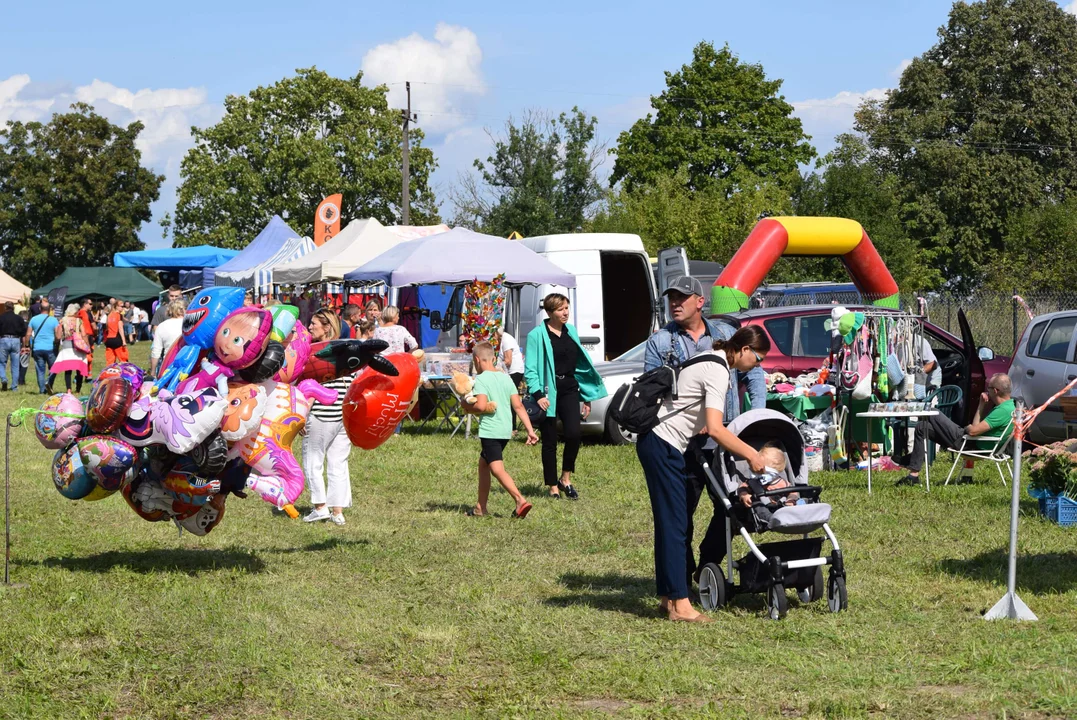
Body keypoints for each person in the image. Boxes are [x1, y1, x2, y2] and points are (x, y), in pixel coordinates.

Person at [635, 325, 770, 623]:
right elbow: (719, 429)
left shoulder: (710, 356)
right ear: (745, 350)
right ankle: (681, 605)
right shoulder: (720, 369)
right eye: (757, 360)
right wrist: (752, 455)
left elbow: (692, 409)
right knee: (675, 524)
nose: (755, 367)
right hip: (663, 444)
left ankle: (667, 599)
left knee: (670, 523)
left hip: (658, 442)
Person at [643, 275, 768, 586]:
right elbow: (652, 393)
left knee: (734, 506)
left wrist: (752, 420)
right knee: (678, 517)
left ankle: (707, 567)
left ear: (700, 302)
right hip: (680, 442)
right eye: (671, 297)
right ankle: (680, 582)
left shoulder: (725, 337)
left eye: (682, 297)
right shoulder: (662, 342)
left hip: (723, 440)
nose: (675, 303)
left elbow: (753, 379)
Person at [524, 293, 608, 499]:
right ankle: (552, 486)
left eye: (567, 308)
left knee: (573, 435)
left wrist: (586, 396)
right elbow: (531, 370)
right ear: (550, 312)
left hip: (570, 389)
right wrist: (537, 395)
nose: (566, 312)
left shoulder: (571, 331)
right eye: (561, 309)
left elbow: (580, 366)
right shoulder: (537, 334)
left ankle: (565, 479)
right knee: (550, 440)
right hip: (547, 393)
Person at [895, 373, 1016, 486]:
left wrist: (968, 428)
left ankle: (909, 457)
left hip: (968, 444)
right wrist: (981, 405)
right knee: (922, 427)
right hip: (972, 442)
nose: (987, 391)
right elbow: (976, 427)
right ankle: (913, 474)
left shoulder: (1002, 411)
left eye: (988, 388)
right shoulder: (1010, 407)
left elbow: (973, 431)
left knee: (932, 412)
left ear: (995, 391)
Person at [464, 341, 539, 518]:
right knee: (484, 464)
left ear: (476, 360)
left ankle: (520, 500)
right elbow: (519, 406)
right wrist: (530, 430)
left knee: (496, 468)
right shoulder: (506, 378)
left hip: (491, 430)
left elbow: (481, 406)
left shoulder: (481, 379)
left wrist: (465, 406)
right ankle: (480, 507)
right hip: (506, 430)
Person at [303, 308, 351, 525]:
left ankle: (320, 507)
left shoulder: (317, 353)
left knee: (313, 460)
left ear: (327, 327)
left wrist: (302, 414)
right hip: (344, 415)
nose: (310, 327)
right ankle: (338, 512)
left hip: (322, 413)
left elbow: (313, 385)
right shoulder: (348, 349)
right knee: (338, 463)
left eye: (314, 323)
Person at [51, 304, 89, 393]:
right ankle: (78, 388)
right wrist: (87, 345)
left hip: (66, 345)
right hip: (78, 346)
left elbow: (59, 335)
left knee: (68, 368)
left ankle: (69, 389)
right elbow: (83, 334)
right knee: (79, 367)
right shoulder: (78, 321)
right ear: (75, 312)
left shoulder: (62, 321)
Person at [27, 299, 58, 394]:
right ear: (49, 309)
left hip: (37, 348)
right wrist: (56, 342)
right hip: (50, 348)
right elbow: (57, 334)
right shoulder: (54, 320)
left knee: (40, 370)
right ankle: (49, 382)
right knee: (54, 368)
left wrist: (27, 345)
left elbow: (28, 334)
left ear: (40, 308)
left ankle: (42, 390)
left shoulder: (33, 319)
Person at [150, 301, 186, 377]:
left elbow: (156, 352)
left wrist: (153, 372)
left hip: (168, 364)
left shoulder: (161, 326)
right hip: (188, 364)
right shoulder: (191, 324)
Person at [0, 301, 27, 392]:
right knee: (15, 365)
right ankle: (14, 386)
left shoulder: (1, 317)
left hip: (4, 340)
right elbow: (23, 333)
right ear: (13, 308)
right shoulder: (19, 318)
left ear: (5, 308)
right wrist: (24, 345)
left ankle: (4, 378)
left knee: (1, 363)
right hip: (16, 340)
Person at [103, 301, 129, 365]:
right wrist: (123, 341)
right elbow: (120, 328)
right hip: (117, 339)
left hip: (109, 340)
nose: (123, 308)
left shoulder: (109, 315)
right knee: (123, 361)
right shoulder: (118, 315)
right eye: (121, 306)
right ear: (116, 307)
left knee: (110, 362)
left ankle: (109, 374)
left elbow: (106, 328)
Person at [77, 298, 97, 377]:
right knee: (89, 356)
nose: (91, 305)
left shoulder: (77, 313)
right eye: (90, 304)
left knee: (80, 357)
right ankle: (88, 375)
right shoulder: (87, 313)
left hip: (79, 337)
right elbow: (94, 327)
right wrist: (96, 334)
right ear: (85, 304)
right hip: (88, 336)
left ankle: (80, 374)